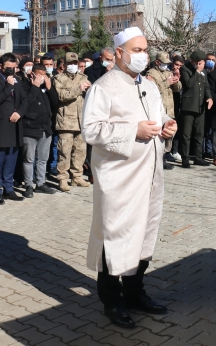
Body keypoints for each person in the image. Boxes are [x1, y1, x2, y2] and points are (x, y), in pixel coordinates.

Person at [81, 27, 177, 329]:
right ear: (119, 53)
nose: (143, 55)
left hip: (149, 174)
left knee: (144, 234)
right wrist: (131, 131)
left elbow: (157, 116)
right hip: (119, 178)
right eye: (137, 50)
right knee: (116, 236)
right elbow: (92, 130)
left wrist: (167, 125)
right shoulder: (104, 87)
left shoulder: (148, 85)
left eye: (145, 49)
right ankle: (112, 300)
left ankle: (135, 292)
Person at [0, 53, 26, 204]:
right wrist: (9, 86)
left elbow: (24, 100)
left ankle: (9, 188)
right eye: (8, 68)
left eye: (14, 68)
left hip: (15, 124)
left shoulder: (18, 80)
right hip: (1, 124)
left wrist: (19, 113)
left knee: (11, 158)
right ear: (1, 66)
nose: (11, 71)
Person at [53, 52, 91, 191]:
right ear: (65, 65)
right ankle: (62, 178)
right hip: (66, 120)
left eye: (75, 63)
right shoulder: (59, 78)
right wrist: (78, 89)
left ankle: (77, 176)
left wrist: (89, 89)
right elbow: (62, 96)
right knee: (64, 151)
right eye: (70, 64)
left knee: (80, 150)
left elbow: (91, 94)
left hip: (81, 120)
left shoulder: (83, 77)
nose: (73, 66)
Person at [20, 64, 57, 197]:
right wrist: (35, 86)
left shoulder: (45, 88)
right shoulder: (24, 86)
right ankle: (28, 185)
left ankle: (40, 183)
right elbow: (26, 103)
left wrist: (49, 87)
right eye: (39, 74)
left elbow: (55, 102)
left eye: (44, 74)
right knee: (29, 159)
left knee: (43, 159)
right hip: (29, 128)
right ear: (32, 74)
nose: (42, 77)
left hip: (45, 128)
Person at [146, 51, 181, 170]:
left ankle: (164, 158)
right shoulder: (151, 73)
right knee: (159, 136)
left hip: (169, 109)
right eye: (164, 63)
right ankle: (158, 160)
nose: (166, 65)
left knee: (168, 135)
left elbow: (178, 88)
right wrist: (166, 83)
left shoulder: (168, 72)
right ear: (157, 62)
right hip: (158, 110)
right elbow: (151, 89)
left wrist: (176, 80)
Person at [178, 50, 213, 168]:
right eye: (198, 62)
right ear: (192, 61)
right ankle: (185, 158)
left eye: (202, 62)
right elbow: (188, 84)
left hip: (200, 106)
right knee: (186, 134)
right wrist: (197, 71)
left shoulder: (204, 71)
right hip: (189, 106)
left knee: (199, 134)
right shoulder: (185, 69)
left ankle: (198, 157)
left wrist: (209, 98)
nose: (200, 64)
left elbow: (206, 86)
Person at [167, 55, 184, 163]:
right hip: (168, 103)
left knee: (177, 128)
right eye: (176, 64)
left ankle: (175, 150)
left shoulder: (184, 74)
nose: (177, 67)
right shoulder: (167, 73)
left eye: (180, 66)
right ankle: (167, 151)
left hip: (179, 103)